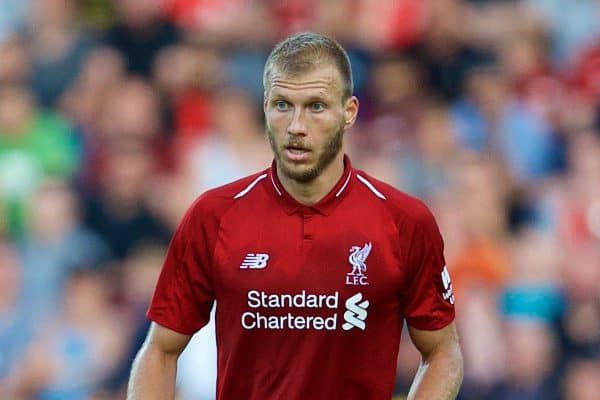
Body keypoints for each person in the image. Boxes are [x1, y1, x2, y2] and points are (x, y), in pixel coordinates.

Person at [127, 32, 463, 400]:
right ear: (265, 108)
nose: (296, 126)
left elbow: (442, 350)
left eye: (316, 106)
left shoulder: (403, 220)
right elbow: (160, 349)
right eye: (283, 105)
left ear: (349, 112)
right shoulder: (214, 215)